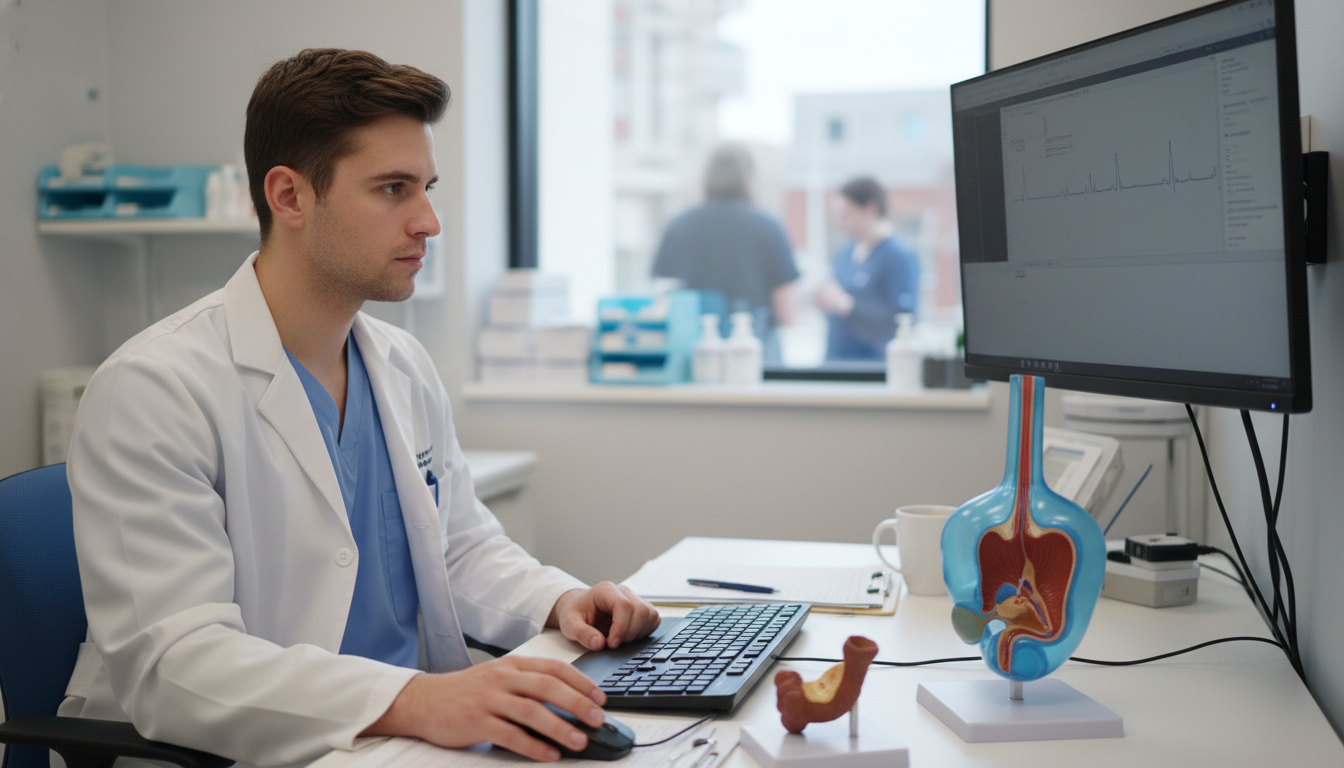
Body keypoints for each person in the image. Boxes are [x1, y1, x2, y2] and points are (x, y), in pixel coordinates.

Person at [61, 49, 659, 767]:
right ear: (288, 197)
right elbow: (175, 665)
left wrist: (561, 603)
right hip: (255, 747)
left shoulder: (399, 363)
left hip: (402, 738)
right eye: (393, 189)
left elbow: (460, 546)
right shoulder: (155, 388)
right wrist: (417, 699)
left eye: (427, 187)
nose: (430, 222)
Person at [651, 144, 799, 357]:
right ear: (749, 178)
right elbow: (787, 314)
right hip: (755, 361)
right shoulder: (768, 227)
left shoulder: (678, 226)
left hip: (693, 360)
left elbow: (661, 302)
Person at [814, 176, 920, 361]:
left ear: (871, 209)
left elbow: (901, 322)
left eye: (846, 214)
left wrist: (846, 305)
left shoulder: (898, 256)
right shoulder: (846, 252)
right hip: (836, 362)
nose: (840, 222)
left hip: (871, 368)